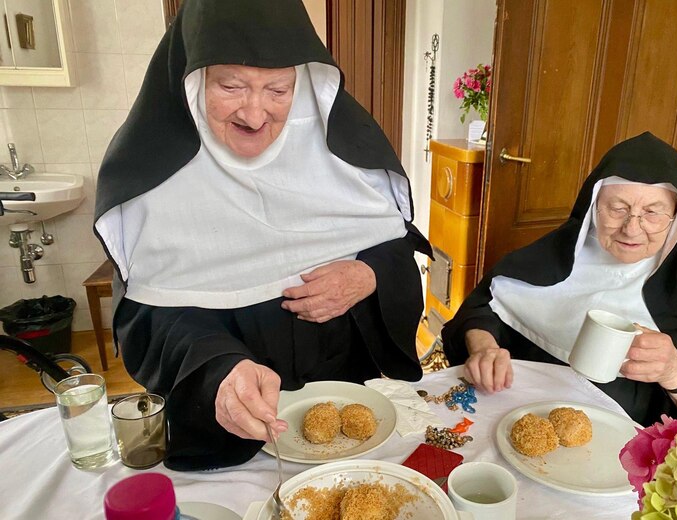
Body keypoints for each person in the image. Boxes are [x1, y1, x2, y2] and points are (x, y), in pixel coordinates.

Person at [93, 0, 431, 471]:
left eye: (278, 89)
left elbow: (398, 247)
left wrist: (369, 275)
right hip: (233, 421)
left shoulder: (343, 158)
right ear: (192, 82)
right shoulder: (149, 191)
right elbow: (148, 319)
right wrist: (217, 372)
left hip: (348, 403)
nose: (255, 114)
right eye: (231, 86)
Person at [442, 132, 677, 432]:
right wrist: (483, 347)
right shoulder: (554, 255)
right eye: (617, 208)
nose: (632, 228)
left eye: (653, 213)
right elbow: (483, 306)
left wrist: (676, 371)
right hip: (514, 418)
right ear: (593, 206)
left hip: (620, 454)